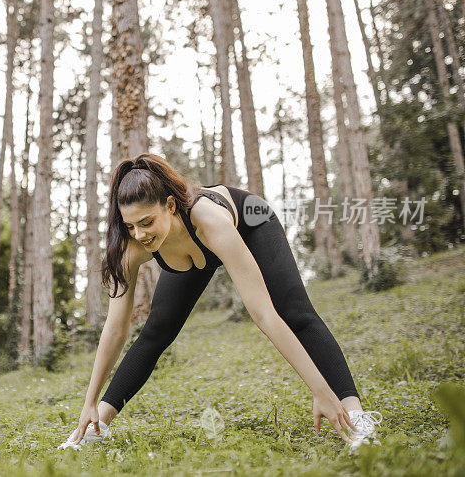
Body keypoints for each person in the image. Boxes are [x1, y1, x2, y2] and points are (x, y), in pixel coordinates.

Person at [58, 153, 381, 452]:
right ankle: (96, 424)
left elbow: (264, 314)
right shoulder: (132, 249)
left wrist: (320, 389)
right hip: (186, 249)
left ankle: (355, 414)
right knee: (157, 329)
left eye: (146, 222)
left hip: (251, 221)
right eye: (130, 225)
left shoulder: (210, 221)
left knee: (294, 311)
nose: (139, 234)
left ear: (170, 206)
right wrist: (89, 400)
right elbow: (116, 330)